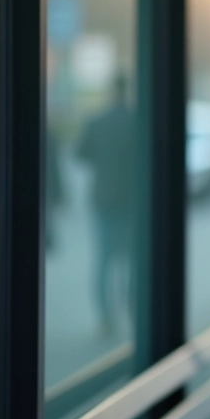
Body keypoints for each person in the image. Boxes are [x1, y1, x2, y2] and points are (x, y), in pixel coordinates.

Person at [77, 74, 136, 335]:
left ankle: (105, 317)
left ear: (111, 91)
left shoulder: (97, 122)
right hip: (132, 200)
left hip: (103, 199)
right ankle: (133, 309)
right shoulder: (137, 121)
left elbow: (81, 154)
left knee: (103, 259)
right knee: (133, 260)